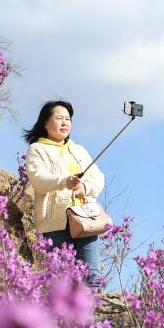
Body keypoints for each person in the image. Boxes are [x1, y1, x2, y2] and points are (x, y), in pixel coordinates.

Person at [23, 100, 106, 288]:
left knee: (92, 275)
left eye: (68, 119)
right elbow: (38, 180)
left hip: (85, 217)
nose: (64, 123)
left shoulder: (79, 150)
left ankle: (94, 316)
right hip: (55, 222)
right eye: (59, 118)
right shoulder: (37, 149)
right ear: (45, 122)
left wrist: (85, 187)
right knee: (63, 279)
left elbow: (98, 178)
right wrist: (64, 181)